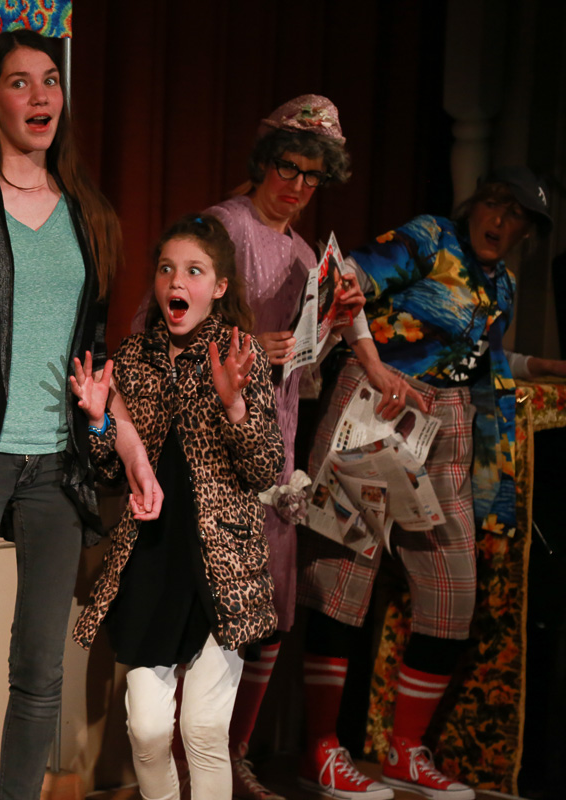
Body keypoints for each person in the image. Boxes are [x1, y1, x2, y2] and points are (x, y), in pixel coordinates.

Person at [0, 30, 160, 800]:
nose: (40, 96)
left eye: (50, 81)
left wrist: (129, 445)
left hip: (59, 464)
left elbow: (95, 357)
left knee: (40, 669)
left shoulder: (88, 214)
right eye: (20, 82)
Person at [297, 166, 560, 800]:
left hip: (449, 424)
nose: (501, 222)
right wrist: (367, 352)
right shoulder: (430, 237)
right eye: (496, 206)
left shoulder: (503, 283)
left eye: (517, 218)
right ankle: (320, 749)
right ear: (477, 204)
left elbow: (487, 362)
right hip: (379, 401)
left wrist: (550, 366)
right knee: (342, 578)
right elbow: (351, 279)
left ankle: (406, 752)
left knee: (453, 590)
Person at [203, 94, 424, 800]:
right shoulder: (223, 227)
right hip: (217, 445)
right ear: (264, 161)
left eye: (312, 177)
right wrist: (243, 343)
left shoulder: (306, 254)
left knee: (270, 610)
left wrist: (360, 352)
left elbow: (313, 345)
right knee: (216, 610)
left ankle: (233, 755)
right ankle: (195, 763)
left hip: (277, 448)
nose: (298, 187)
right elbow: (167, 323)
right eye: (288, 169)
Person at [71, 214, 284, 800]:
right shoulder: (133, 358)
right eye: (167, 269)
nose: (176, 281)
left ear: (218, 286)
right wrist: (99, 422)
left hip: (221, 567)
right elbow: (109, 471)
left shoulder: (239, 354)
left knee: (204, 729)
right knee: (147, 730)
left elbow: (266, 469)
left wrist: (235, 406)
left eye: (194, 270)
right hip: (152, 559)